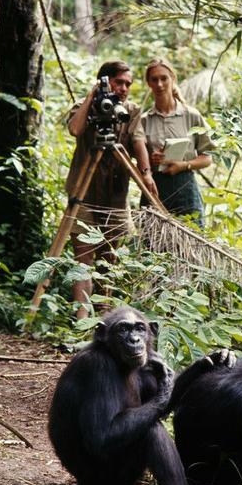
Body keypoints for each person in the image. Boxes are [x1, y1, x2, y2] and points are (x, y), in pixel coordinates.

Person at [66, 60, 157, 317]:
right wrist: (92, 96)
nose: (124, 88)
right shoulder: (84, 106)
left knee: (109, 260)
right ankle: (81, 320)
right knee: (83, 260)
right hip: (83, 193)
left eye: (128, 83)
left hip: (116, 196)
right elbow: (75, 128)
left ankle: (104, 316)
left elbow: (138, 140)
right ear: (105, 81)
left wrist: (146, 172)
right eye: (119, 82)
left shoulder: (131, 111)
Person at [141, 58, 215, 227]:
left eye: (164, 78)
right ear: (149, 84)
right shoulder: (145, 120)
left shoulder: (191, 115)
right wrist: (150, 160)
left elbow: (208, 157)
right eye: (154, 79)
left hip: (185, 187)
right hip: (155, 187)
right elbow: (137, 159)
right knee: (153, 245)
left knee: (191, 241)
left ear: (172, 79)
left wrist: (184, 165)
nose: (159, 84)